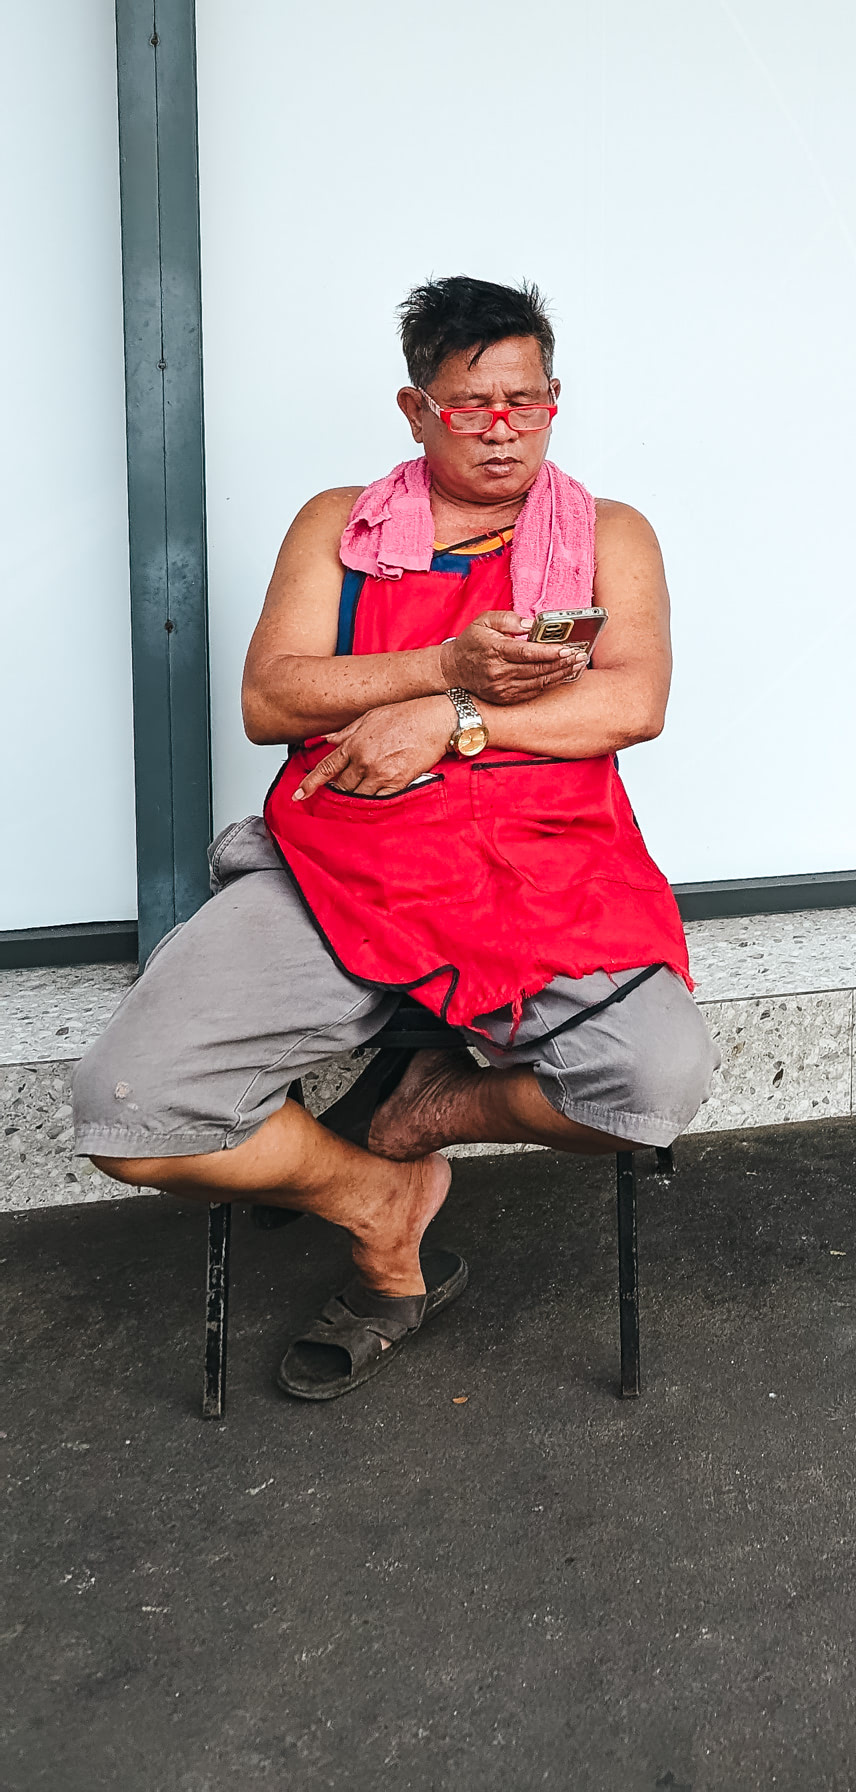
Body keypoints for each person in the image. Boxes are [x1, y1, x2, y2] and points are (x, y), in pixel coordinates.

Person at [74, 276, 710, 1400]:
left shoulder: (609, 534)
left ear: (555, 397)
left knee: (650, 1087)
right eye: (471, 405)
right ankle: (380, 1200)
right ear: (415, 410)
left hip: (545, 860)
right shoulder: (340, 522)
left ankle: (424, 1105)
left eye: (527, 398)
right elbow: (273, 698)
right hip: (344, 856)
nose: (504, 425)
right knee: (131, 1108)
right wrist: (445, 663)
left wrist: (452, 722)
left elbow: (633, 704)